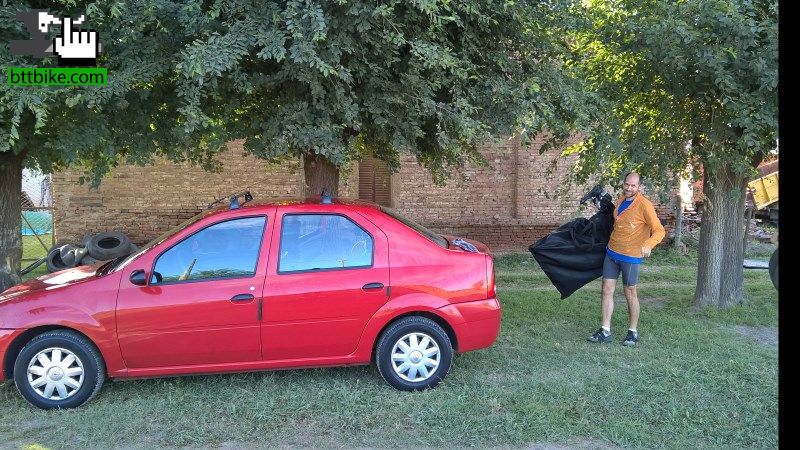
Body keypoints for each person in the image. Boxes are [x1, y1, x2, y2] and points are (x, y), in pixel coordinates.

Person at [587, 172, 665, 346]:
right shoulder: (621, 200)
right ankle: (605, 330)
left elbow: (659, 230)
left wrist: (649, 244)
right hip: (612, 253)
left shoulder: (645, 205)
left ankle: (632, 332)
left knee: (630, 293)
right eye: (627, 184)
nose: (629, 188)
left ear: (639, 187)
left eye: (633, 186)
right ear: (624, 184)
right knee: (607, 290)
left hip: (630, 257)